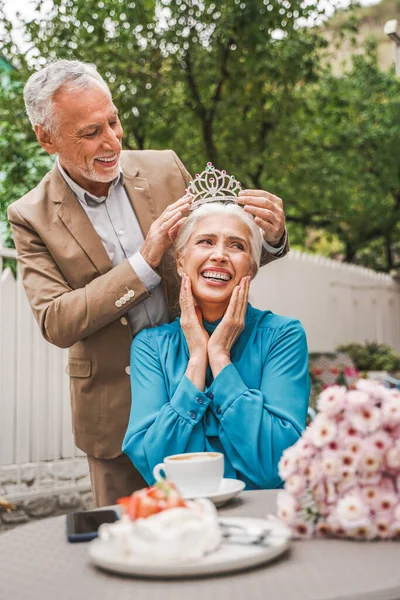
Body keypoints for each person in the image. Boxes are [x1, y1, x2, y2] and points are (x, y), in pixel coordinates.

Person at [7, 59, 289, 505]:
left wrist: (269, 240)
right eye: (90, 132)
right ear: (47, 139)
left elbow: (214, 257)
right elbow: (56, 321)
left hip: (201, 390)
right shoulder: (30, 215)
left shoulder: (166, 169)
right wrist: (143, 262)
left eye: (113, 121)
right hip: (114, 416)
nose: (111, 140)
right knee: (130, 542)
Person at [123, 201, 310, 489]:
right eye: (206, 241)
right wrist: (197, 359)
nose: (220, 255)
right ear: (181, 259)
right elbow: (154, 464)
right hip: (184, 519)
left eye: (236, 246)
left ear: (251, 267)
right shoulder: (150, 347)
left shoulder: (283, 336)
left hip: (263, 516)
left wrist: (219, 357)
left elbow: (278, 463)